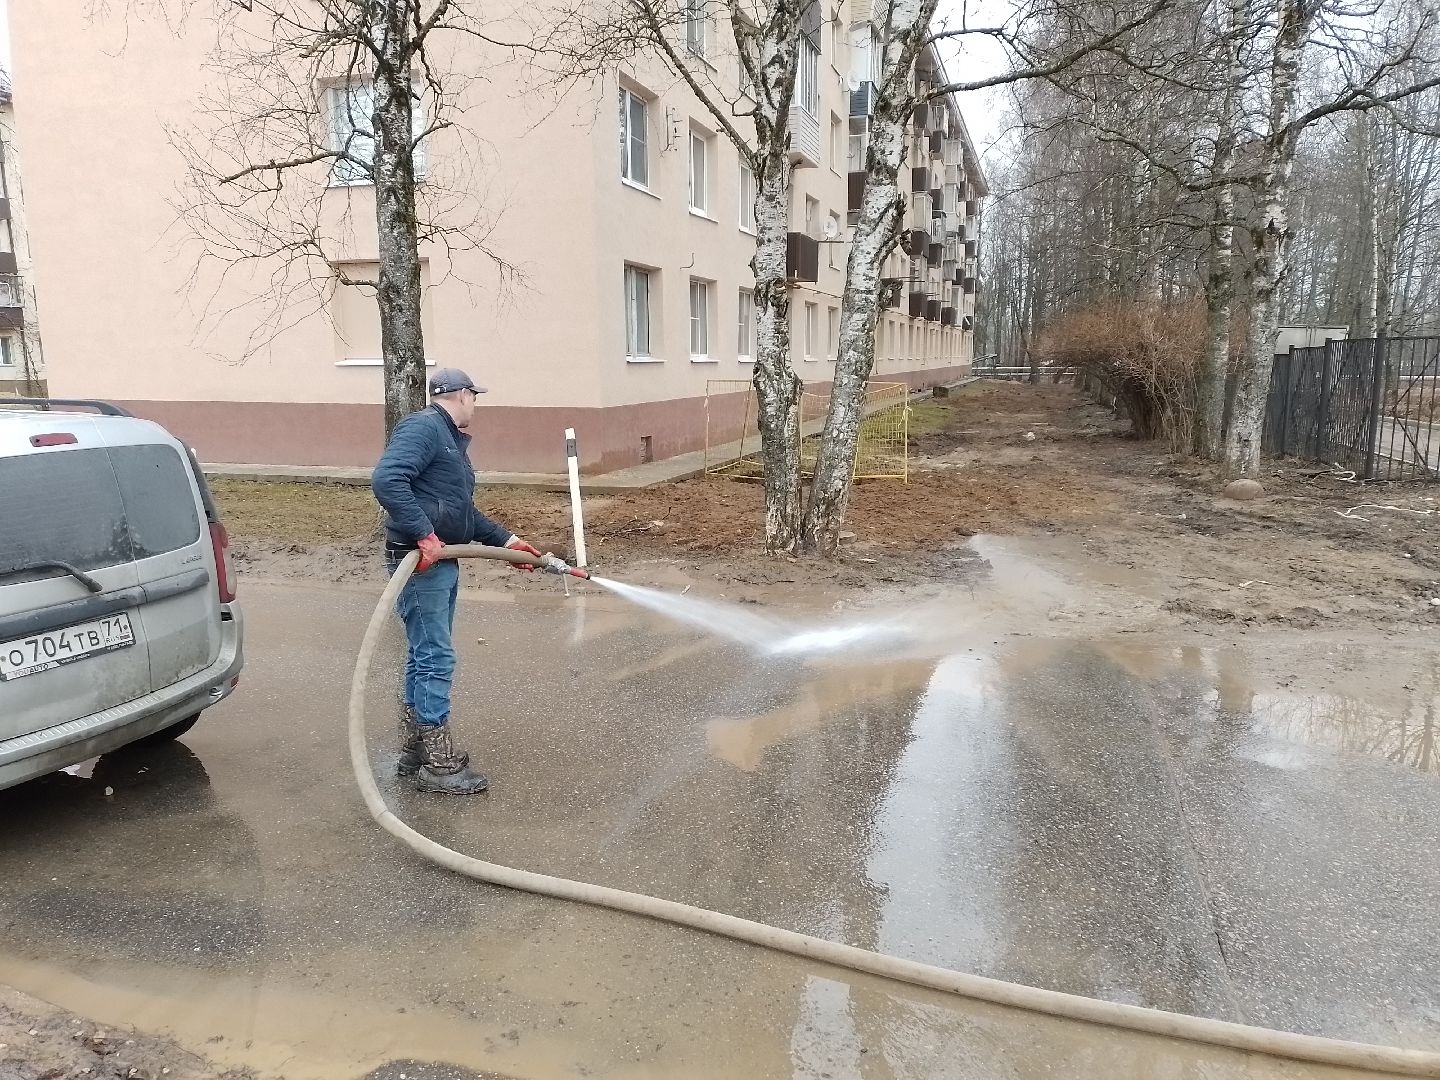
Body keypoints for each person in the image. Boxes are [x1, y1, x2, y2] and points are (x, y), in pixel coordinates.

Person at [372, 368, 542, 795]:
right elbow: (387, 480)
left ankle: (416, 750)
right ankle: (439, 764)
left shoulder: (446, 438)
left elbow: (459, 511)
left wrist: (509, 542)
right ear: (462, 395)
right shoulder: (425, 428)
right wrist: (424, 535)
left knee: (424, 653)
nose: (476, 405)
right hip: (422, 561)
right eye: (475, 396)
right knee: (435, 656)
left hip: (440, 558)